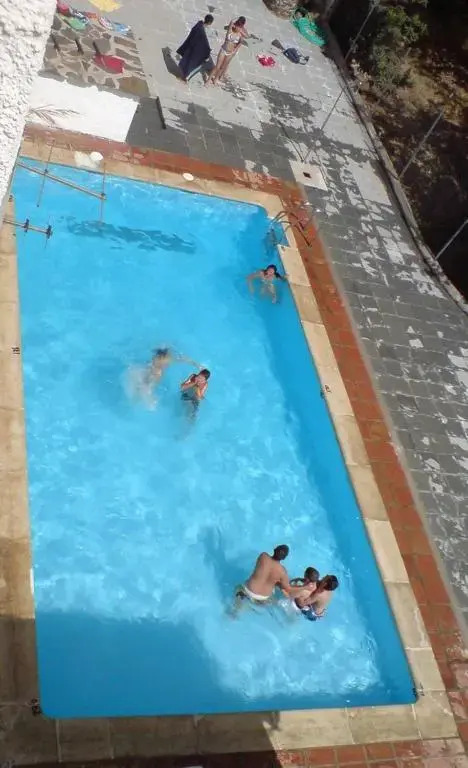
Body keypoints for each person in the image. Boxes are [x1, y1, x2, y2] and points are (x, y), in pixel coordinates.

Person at [234, 545, 307, 608]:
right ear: (284, 558)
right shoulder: (282, 571)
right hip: (262, 598)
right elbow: (288, 589)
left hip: (247, 591)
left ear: (274, 549)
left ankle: (237, 608)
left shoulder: (263, 556)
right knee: (274, 600)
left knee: (238, 588)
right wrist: (305, 587)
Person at [205, 16, 248, 86]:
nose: (237, 27)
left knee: (222, 67)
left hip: (230, 53)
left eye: (239, 26)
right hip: (223, 50)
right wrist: (238, 19)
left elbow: (243, 40)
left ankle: (216, 79)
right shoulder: (230, 30)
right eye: (237, 25)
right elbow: (232, 21)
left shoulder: (240, 34)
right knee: (217, 66)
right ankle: (208, 80)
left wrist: (235, 51)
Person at [176, 14, 214, 82]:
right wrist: (207, 52)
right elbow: (205, 45)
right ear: (210, 23)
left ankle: (183, 76)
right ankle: (184, 78)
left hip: (191, 48)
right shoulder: (202, 32)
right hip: (196, 52)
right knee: (196, 65)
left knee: (187, 62)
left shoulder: (198, 25)